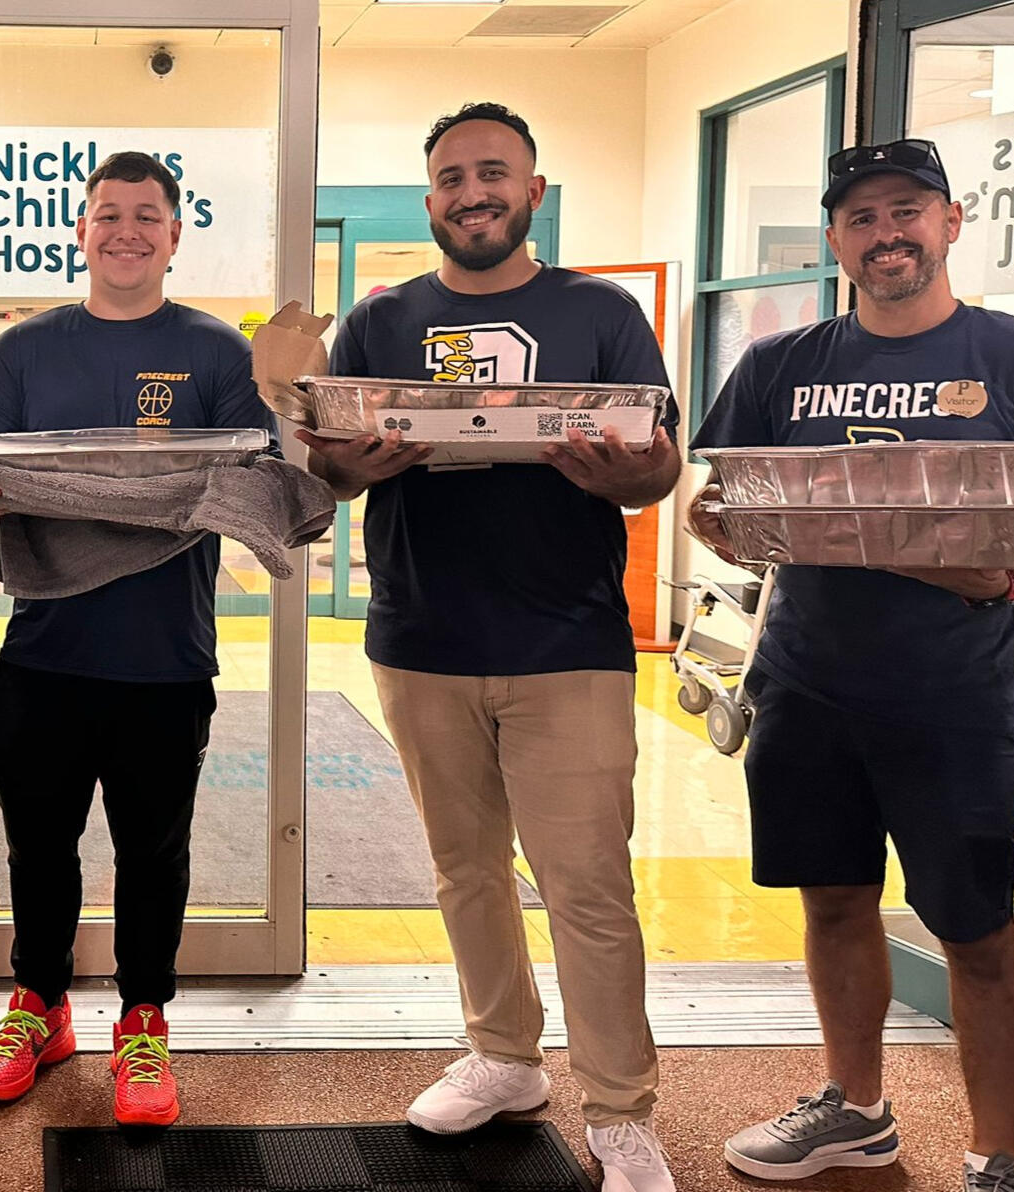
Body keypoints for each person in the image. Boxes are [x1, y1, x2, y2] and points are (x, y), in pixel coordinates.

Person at [690, 138, 1014, 1192]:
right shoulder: (778, 367)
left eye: (907, 210)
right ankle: (856, 1111)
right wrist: (718, 521)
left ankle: (997, 1158)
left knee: (975, 928)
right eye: (862, 218)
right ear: (835, 240)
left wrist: (1004, 583)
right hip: (804, 685)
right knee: (833, 903)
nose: (887, 234)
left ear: (950, 222)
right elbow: (723, 500)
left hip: (954, 699)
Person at [300, 103, 681, 1192]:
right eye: (454, 178)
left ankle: (620, 1109)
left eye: (494, 174)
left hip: (569, 643)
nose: (474, 194)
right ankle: (505, 1059)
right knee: (466, 870)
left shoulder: (599, 312)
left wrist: (632, 476)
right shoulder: (379, 320)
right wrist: (351, 465)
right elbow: (330, 463)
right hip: (421, 636)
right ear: (431, 201)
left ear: (532, 192)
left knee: (586, 885)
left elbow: (661, 461)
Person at [0, 150, 276, 1128]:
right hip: (45, 651)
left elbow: (253, 483)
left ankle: (142, 1021)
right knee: (39, 850)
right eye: (108, 215)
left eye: (146, 215)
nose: (126, 231)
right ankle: (39, 1008)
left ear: (174, 235)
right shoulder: (22, 353)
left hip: (165, 657)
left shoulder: (219, 355)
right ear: (80, 232)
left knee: (153, 851)